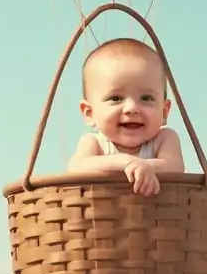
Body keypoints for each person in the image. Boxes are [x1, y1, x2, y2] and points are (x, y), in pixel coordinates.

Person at [66, 36, 185, 195]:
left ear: (164, 112)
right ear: (90, 113)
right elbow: (76, 168)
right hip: (103, 215)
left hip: (159, 217)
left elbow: (175, 167)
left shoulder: (165, 138)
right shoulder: (94, 142)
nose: (132, 108)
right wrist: (125, 162)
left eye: (146, 98)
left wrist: (147, 167)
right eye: (116, 98)